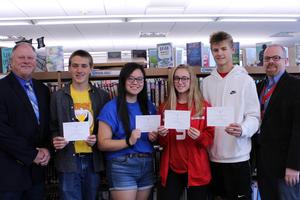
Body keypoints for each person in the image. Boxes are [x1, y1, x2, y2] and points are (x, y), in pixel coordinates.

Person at [202, 31, 260, 200]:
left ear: (232, 50)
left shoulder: (245, 81)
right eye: (215, 50)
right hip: (212, 158)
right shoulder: (206, 83)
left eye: (223, 49)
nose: (219, 53)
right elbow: (203, 116)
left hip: (238, 158)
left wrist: (243, 129)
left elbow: (254, 117)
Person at [50, 50, 110, 200]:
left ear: (91, 68)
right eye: (75, 65)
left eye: (84, 66)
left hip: (93, 159)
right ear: (69, 68)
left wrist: (98, 137)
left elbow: (107, 127)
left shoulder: (102, 96)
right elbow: (52, 126)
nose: (79, 70)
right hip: (68, 160)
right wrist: (56, 139)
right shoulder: (57, 96)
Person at [97, 62, 157, 200]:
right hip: (121, 166)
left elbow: (151, 136)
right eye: (131, 78)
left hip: (147, 164)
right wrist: (127, 141)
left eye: (139, 79)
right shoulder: (111, 108)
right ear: (123, 80)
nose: (135, 82)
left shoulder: (148, 106)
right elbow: (102, 143)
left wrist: (154, 136)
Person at [0, 42, 51, 199]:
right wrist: (31, 154)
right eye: (21, 57)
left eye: (30, 58)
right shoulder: (2, 88)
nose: (26, 61)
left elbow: (47, 125)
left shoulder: (43, 89)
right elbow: (2, 131)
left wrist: (47, 149)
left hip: (36, 173)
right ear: (12, 61)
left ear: (35, 62)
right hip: (10, 174)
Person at [157, 65, 214, 200]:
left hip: (197, 168)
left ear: (192, 81)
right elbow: (162, 143)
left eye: (184, 78)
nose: (180, 82)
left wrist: (200, 136)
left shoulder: (204, 106)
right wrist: (162, 135)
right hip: (172, 168)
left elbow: (210, 138)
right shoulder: (165, 107)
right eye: (176, 78)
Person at [256, 44, 300, 200]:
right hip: (263, 164)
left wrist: (294, 166)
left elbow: (298, 130)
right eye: (267, 58)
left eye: (276, 58)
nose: (271, 62)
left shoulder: (296, 87)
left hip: (285, 167)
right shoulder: (259, 87)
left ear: (286, 61)